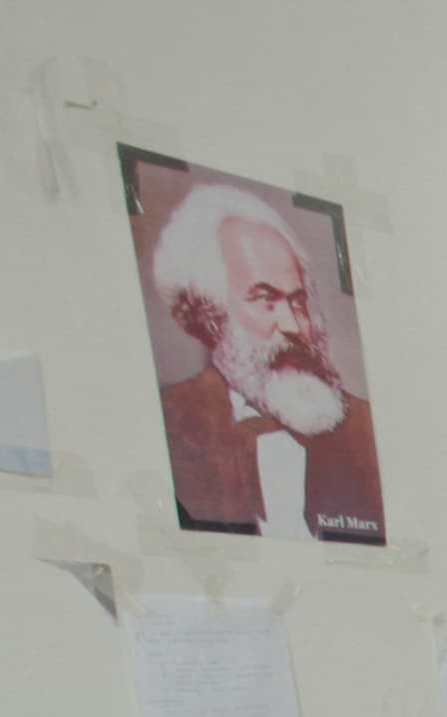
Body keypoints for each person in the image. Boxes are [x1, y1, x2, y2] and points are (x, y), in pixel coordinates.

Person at [147, 180, 385, 544]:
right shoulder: (166, 425)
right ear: (212, 315)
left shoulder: (365, 430)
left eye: (299, 302)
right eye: (265, 301)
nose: (293, 325)